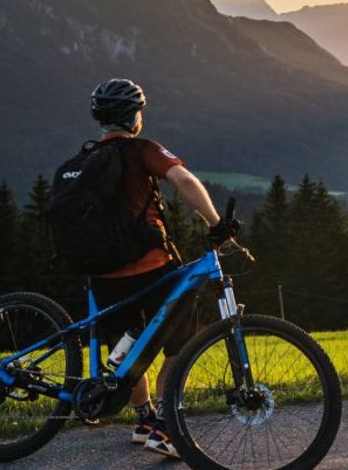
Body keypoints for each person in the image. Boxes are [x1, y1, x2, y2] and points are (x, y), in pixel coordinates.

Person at [85, 79, 238, 457]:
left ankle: (145, 419)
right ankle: (166, 425)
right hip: (150, 267)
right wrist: (216, 223)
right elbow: (184, 179)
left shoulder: (86, 158)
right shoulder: (144, 150)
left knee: (130, 350)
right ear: (134, 117)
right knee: (180, 340)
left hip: (102, 273)